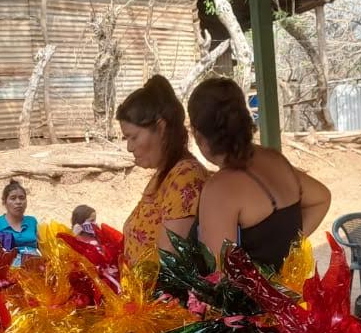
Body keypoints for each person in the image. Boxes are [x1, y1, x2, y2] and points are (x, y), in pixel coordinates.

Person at [188, 77, 331, 269]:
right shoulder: (275, 160)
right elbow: (321, 198)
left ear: (198, 135)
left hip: (254, 298)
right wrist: (288, 250)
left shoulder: (220, 189)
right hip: (289, 292)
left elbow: (220, 276)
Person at [116, 75, 208, 265]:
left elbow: (169, 266)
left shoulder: (186, 178)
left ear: (161, 127)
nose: (129, 147)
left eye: (132, 137)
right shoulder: (165, 175)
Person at [0, 181, 40, 258]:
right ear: (4, 202)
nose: (18, 202)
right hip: (4, 267)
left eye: (22, 198)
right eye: (13, 198)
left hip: (33, 267)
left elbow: (42, 248)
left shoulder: (32, 221)